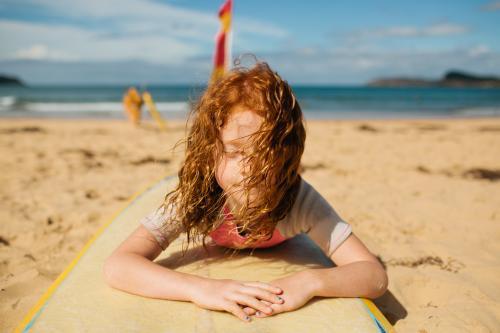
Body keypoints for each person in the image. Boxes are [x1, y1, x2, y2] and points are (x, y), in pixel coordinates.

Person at [104, 61, 388, 323]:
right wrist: (200, 289)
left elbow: (372, 274)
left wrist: (310, 282)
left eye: (265, 154)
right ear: (211, 152)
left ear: (288, 156)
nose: (251, 170)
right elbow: (119, 265)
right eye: (234, 152)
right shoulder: (197, 197)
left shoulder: (299, 200)